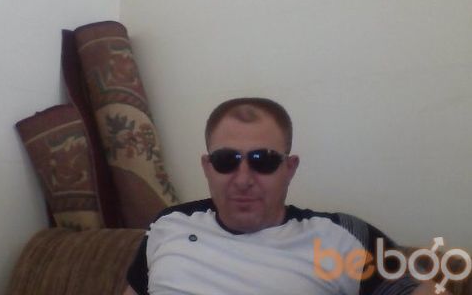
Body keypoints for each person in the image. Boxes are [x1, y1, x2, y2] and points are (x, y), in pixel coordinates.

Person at [123, 97, 444, 295]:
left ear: (289, 168)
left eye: (263, 161)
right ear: (208, 167)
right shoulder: (169, 224)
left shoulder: (337, 238)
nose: (243, 179)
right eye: (226, 161)